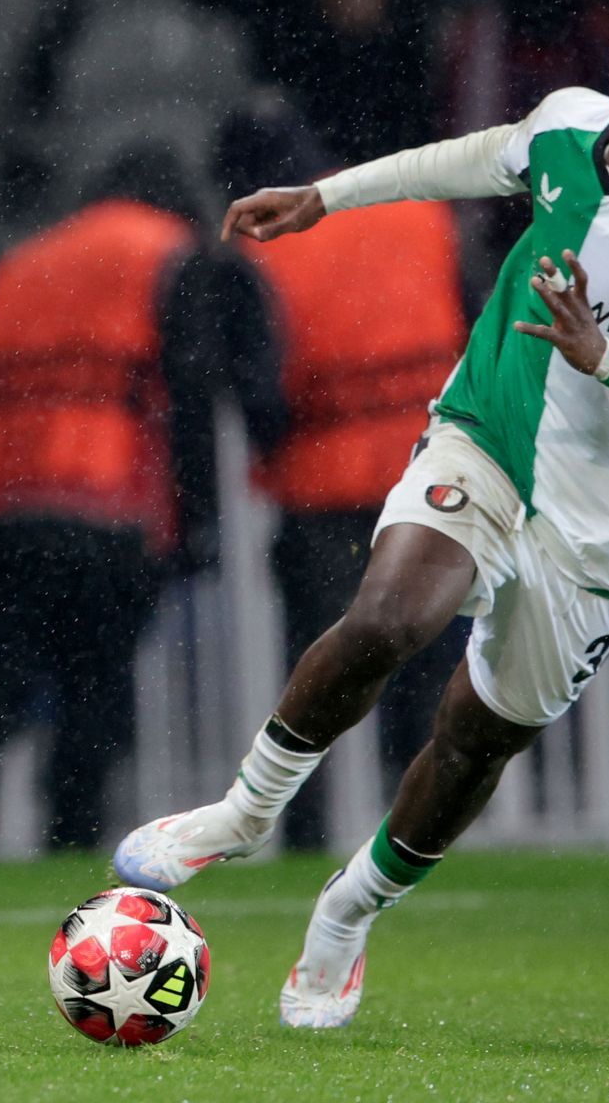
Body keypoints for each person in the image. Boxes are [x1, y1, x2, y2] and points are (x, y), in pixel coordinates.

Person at [113, 0, 609, 1029]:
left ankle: (351, 906)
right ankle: (241, 814)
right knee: (388, 615)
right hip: (489, 432)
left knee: (476, 735)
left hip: (601, 525)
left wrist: (608, 358)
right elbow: (475, 158)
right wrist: (325, 197)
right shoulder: (571, 129)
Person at [0, 150, 287, 856]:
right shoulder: (166, 253)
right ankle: (69, 838)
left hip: (6, 507)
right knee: (93, 688)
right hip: (107, 504)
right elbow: (190, 393)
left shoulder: (24, 261)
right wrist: (199, 524)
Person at [214, 104, 471, 852]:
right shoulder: (422, 215)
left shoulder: (261, 251)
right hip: (431, 480)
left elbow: (259, 396)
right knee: (424, 667)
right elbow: (481, 325)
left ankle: (307, 836)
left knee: (320, 680)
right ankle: (423, 836)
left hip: (319, 492)